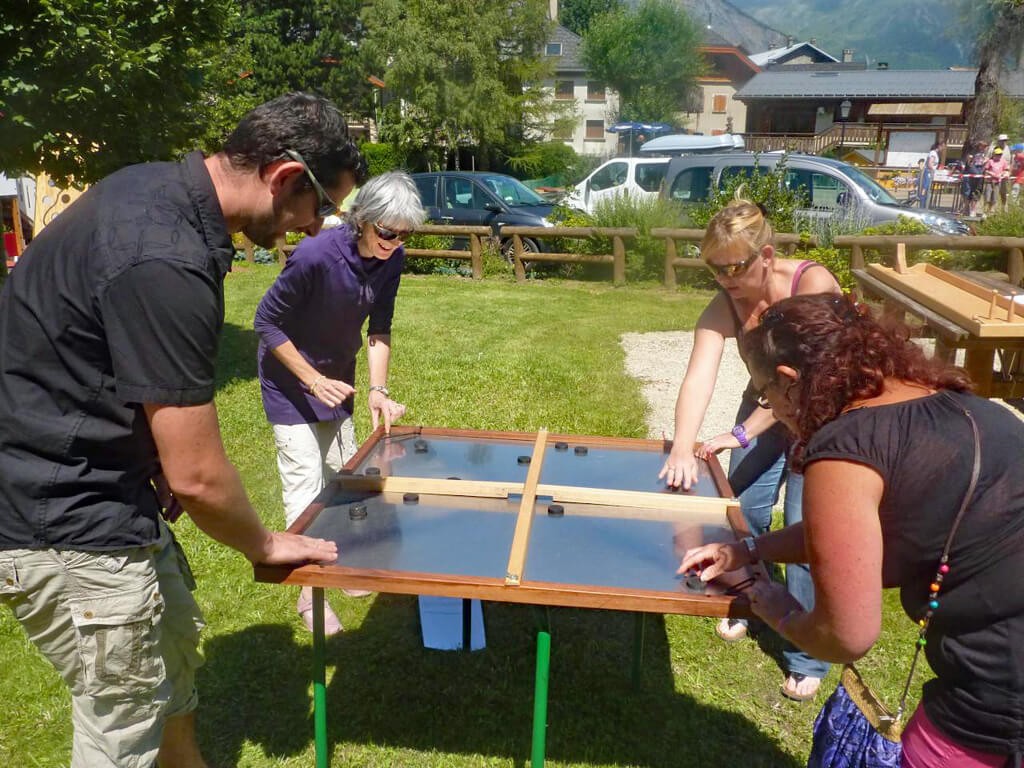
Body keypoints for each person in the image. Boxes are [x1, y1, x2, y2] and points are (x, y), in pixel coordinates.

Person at [0, 92, 364, 768]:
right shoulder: (165, 255)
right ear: (286, 177)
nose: (319, 229)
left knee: (168, 685)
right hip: (67, 522)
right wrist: (263, 541)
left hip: (112, 493)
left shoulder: (153, 191)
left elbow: (95, 354)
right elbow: (197, 475)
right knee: (122, 732)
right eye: (321, 207)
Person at [681, 292, 1024, 767]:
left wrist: (780, 611)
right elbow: (842, 536)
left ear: (788, 380)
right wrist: (748, 550)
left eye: (765, 394)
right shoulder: (964, 406)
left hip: (995, 700)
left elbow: (847, 636)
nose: (771, 409)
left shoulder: (846, 448)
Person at [658, 197, 840, 701]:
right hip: (765, 400)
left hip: (820, 413)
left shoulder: (812, 285)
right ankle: (750, 600)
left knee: (805, 533)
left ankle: (806, 654)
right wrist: (681, 449)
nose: (724, 280)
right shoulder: (724, 304)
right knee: (744, 510)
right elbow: (699, 376)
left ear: (766, 253)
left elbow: (808, 381)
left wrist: (742, 434)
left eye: (734, 268)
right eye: (714, 269)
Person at [254, 171, 425, 635]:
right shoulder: (315, 255)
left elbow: (380, 327)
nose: (395, 241)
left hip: (338, 381)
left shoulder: (393, 259)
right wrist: (311, 381)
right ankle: (309, 593)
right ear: (363, 219)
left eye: (405, 233)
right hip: (291, 384)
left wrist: (378, 390)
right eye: (388, 231)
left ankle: (343, 563)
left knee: (346, 478)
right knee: (306, 484)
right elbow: (266, 323)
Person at [984, 147, 1009, 215]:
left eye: (1000, 154)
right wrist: (991, 173)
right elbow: (986, 170)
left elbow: (1006, 170)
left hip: (998, 182)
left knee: (994, 198)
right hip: (989, 181)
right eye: (997, 154)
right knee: (987, 196)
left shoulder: (1003, 161)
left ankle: (991, 211)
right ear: (994, 154)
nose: (999, 155)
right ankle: (985, 211)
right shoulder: (990, 161)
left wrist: (1002, 174)